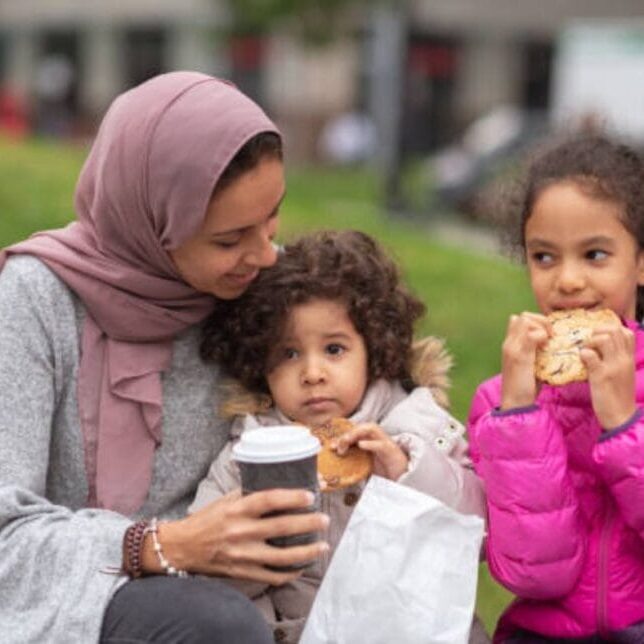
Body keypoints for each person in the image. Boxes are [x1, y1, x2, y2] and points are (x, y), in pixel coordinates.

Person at [0, 71, 330, 644]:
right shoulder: (36, 299)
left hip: (251, 595)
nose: (262, 253)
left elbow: (376, 394)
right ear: (151, 223)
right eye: (228, 240)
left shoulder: (267, 294)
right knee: (214, 625)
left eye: (272, 216)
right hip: (80, 608)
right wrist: (161, 545)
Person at [192, 229, 488, 643]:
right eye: (289, 354)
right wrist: (260, 538)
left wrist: (407, 472)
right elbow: (206, 579)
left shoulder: (416, 425)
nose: (313, 373)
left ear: (374, 348)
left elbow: (474, 534)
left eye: (334, 350)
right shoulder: (249, 456)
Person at [467, 135, 644, 642]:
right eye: (544, 257)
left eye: (594, 254)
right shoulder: (498, 404)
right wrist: (519, 415)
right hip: (542, 632)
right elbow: (533, 573)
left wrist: (622, 424)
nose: (567, 281)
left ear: (640, 263)